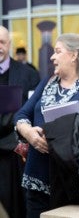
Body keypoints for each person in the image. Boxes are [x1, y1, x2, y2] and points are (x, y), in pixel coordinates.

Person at [14, 33, 79, 218]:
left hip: (69, 180)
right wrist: (28, 132)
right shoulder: (47, 83)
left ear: (73, 55)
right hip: (37, 177)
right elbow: (22, 114)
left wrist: (57, 136)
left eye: (57, 52)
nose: (52, 57)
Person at [0, 26, 40, 218]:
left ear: (9, 44)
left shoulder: (28, 75)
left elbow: (34, 111)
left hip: (15, 156)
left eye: (2, 42)